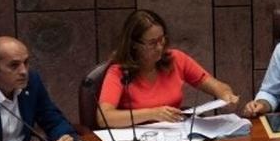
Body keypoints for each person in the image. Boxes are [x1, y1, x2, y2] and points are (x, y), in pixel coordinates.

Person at [97, 9, 239, 127]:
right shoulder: (119, 72)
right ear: (134, 44)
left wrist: (226, 96)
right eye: (152, 43)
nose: (160, 47)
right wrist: (153, 113)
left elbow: (215, 85)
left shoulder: (176, 59)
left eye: (162, 39)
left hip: (175, 136)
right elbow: (104, 118)